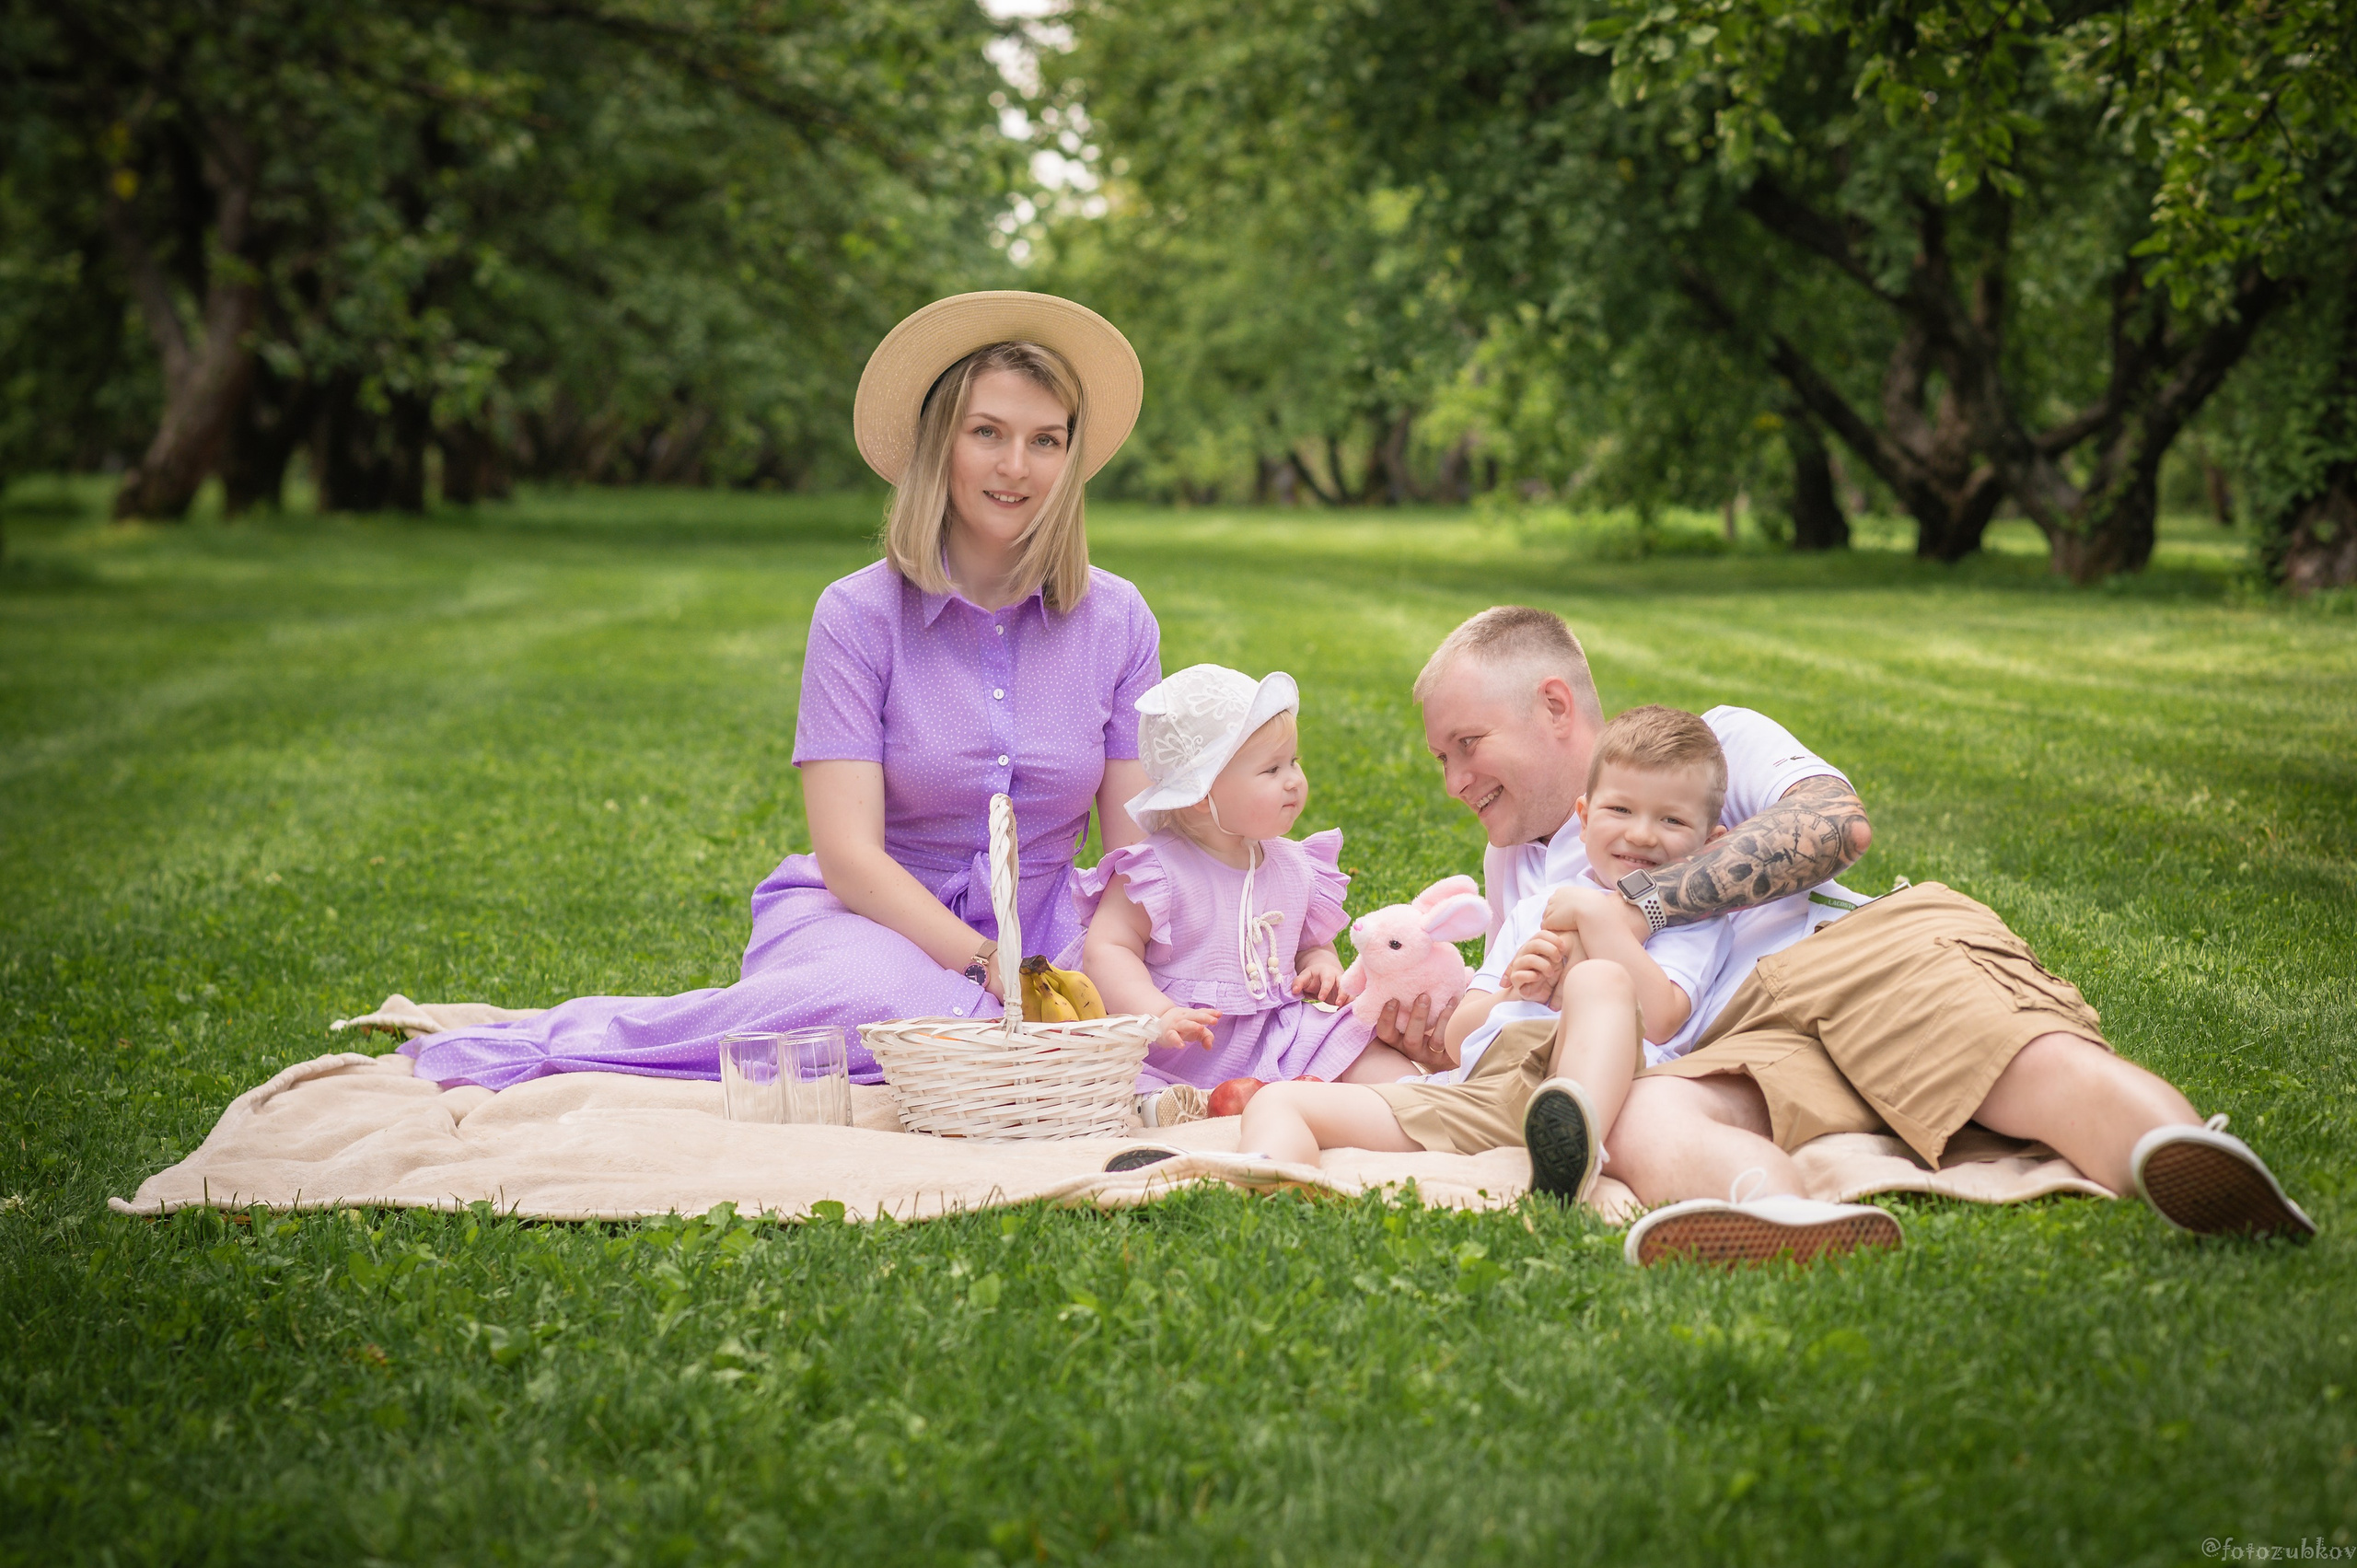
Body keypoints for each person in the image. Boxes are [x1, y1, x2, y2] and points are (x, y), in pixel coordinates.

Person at [401, 291, 1162, 1089]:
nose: (1016, 467)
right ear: (941, 444)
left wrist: (1116, 970)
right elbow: (850, 857)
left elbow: (1132, 856)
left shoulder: (1118, 621)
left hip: (1052, 930)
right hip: (873, 925)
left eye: (1045, 440)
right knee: (892, 1006)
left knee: (1189, 1017)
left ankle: (978, 1038)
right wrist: (985, 965)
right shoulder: (858, 615)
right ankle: (567, 1043)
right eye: (987, 433)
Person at [1394, 605, 2314, 1261]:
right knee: (1642, 1116)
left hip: (1843, 962)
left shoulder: (1705, 745)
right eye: (1441, 757)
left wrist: (1639, 905)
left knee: (2005, 1054)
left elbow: (1833, 823)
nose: (1454, 780)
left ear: (1555, 706)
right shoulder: (1511, 865)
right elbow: (1502, 1020)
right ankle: (1780, 1214)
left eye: (1467, 743)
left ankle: (2181, 1154)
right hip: (1722, 1042)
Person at [1071, 663, 1419, 1129]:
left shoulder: (1295, 864)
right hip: (1184, 1044)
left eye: (1293, 761)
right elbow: (1107, 949)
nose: (1293, 779)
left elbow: (1309, 942)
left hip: (1273, 1029)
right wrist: (1159, 1014)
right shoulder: (1157, 870)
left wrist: (1321, 964)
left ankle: (1415, 1093)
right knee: (1122, 1074)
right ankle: (1166, 1103)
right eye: (1272, 769)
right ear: (1201, 794)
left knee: (1349, 1037)